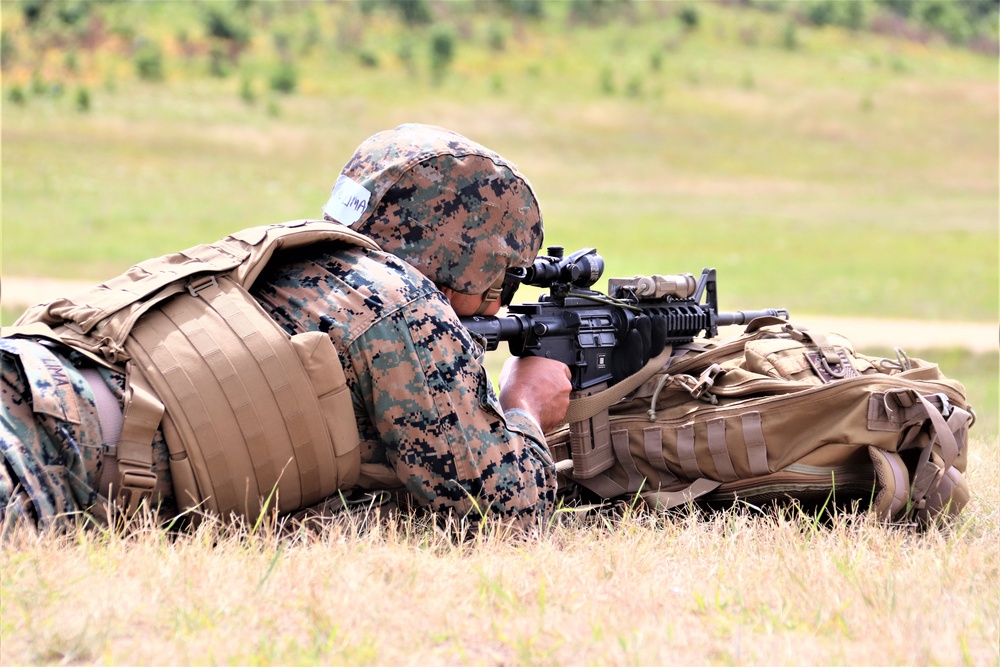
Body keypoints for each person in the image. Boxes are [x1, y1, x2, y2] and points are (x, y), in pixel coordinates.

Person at [0, 123, 573, 535]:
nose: (494, 305)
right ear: (465, 259)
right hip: (48, 451)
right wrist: (525, 405)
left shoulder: (289, 256)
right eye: (500, 281)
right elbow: (504, 511)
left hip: (27, 372)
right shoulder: (401, 304)